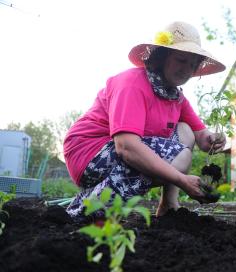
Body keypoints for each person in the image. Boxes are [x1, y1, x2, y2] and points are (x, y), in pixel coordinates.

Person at [63, 21, 226, 218]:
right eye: (181, 60)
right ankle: (88, 209)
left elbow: (199, 136)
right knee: (180, 157)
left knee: (185, 131)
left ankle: (168, 205)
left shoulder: (175, 96)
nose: (186, 70)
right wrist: (182, 180)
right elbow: (126, 146)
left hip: (117, 152)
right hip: (89, 152)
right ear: (163, 57)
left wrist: (212, 138)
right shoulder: (132, 84)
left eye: (192, 65)